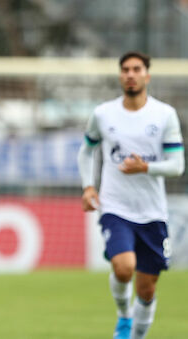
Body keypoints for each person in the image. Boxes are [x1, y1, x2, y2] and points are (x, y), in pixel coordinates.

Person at [77, 51, 184, 339]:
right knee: (124, 268)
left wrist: (145, 167)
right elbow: (86, 151)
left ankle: (135, 335)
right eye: (125, 69)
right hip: (115, 207)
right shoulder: (103, 114)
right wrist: (89, 186)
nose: (131, 74)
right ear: (120, 75)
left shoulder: (164, 115)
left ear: (147, 75)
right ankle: (124, 316)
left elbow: (177, 166)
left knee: (147, 289)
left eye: (137, 69)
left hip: (152, 212)